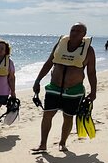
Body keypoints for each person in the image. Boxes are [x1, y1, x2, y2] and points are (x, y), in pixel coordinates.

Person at [32, 23, 97, 152]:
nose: (75, 33)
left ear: (84, 35)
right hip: (54, 88)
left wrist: (93, 91)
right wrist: (37, 80)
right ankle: (42, 144)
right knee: (47, 115)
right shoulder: (60, 44)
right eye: (73, 30)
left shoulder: (89, 50)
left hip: (73, 91)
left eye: (79, 31)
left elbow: (91, 72)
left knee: (68, 117)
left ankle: (62, 143)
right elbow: (49, 63)